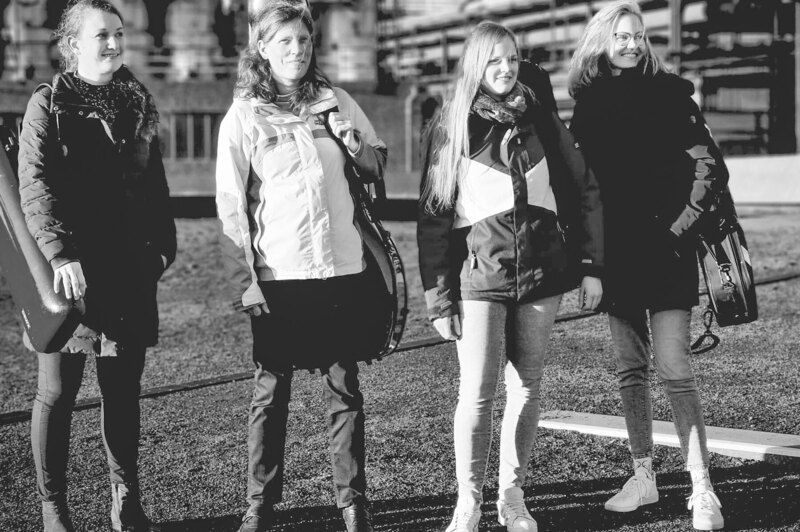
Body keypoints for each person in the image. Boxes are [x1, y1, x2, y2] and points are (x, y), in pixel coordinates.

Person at [417, 21, 604, 532]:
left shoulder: (540, 116)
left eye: (512, 58)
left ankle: (512, 497)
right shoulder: (451, 124)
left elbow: (582, 187)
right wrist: (440, 300)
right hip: (479, 279)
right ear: (476, 64)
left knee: (526, 388)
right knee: (477, 393)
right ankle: (468, 503)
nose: (505, 68)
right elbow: (433, 218)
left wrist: (591, 265)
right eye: (494, 59)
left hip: (543, 274)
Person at [215, 2, 387, 531]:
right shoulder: (244, 114)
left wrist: (355, 145)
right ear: (263, 48)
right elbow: (230, 205)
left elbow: (376, 164)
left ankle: (352, 502)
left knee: (344, 389)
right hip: (280, 276)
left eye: (304, 40)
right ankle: (260, 506)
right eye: (285, 41)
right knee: (271, 394)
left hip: (341, 270)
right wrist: (246, 282)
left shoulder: (335, 99)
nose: (297, 50)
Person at [567, 2, 728, 530]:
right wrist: (589, 261)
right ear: (602, 41)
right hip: (617, 259)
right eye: (621, 36)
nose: (632, 44)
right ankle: (644, 476)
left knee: (675, 370)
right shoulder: (587, 104)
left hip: (668, 252)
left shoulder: (671, 94)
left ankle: (701, 486)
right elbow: (580, 190)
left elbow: (709, 167)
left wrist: (678, 231)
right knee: (630, 371)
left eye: (638, 35)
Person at [17, 1, 176, 531]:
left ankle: (125, 500)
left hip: (129, 270)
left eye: (119, 33)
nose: (113, 43)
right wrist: (60, 254)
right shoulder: (48, 104)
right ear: (73, 45)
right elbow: (35, 186)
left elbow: (154, 186)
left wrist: (162, 250)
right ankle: (53, 509)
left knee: (122, 391)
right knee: (57, 394)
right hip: (71, 276)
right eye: (101, 35)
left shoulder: (137, 102)